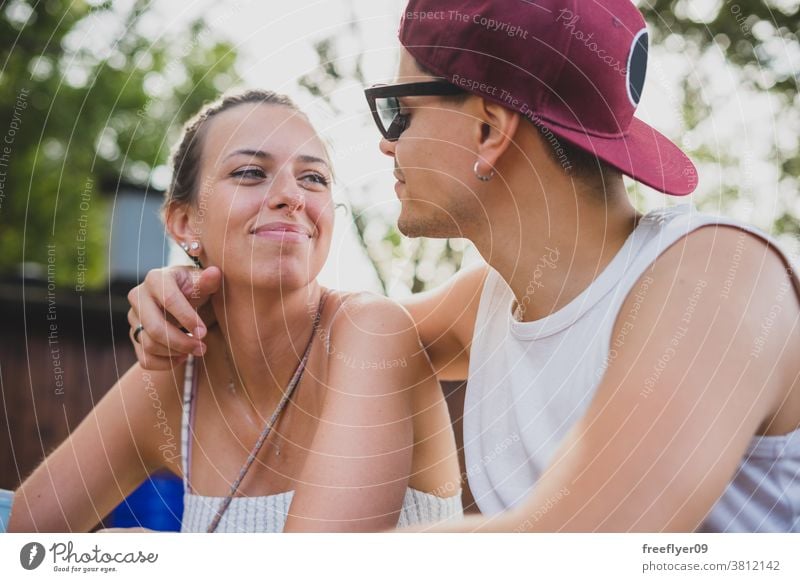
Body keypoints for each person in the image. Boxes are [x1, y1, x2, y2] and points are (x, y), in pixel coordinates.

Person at [127, 0, 800, 532]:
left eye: (399, 111)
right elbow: (315, 338)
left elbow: (573, 547)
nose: (387, 146)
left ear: (487, 128)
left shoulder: (716, 278)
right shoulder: (496, 302)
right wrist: (192, 293)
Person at [8, 89, 463, 533]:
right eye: (249, 172)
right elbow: (26, 535)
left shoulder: (370, 331)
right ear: (184, 223)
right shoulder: (177, 381)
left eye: (314, 178)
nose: (292, 196)